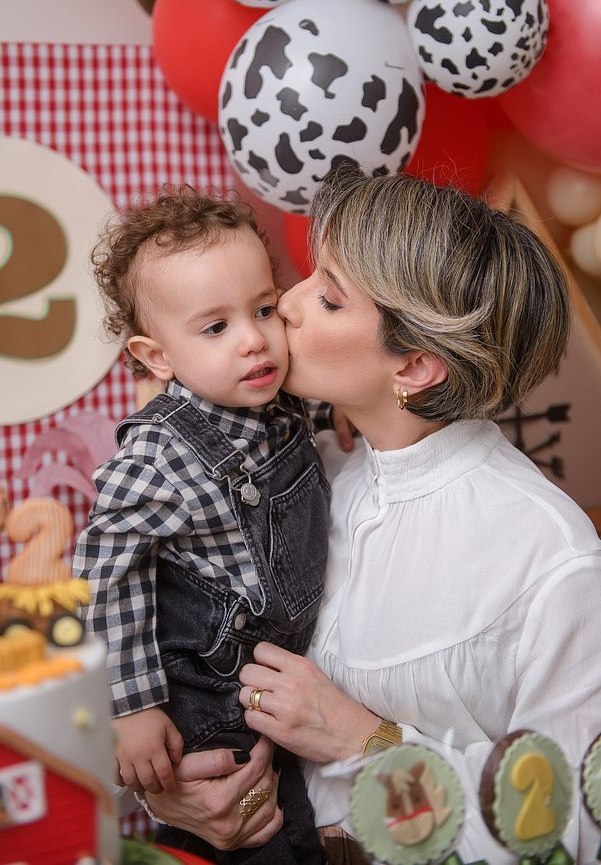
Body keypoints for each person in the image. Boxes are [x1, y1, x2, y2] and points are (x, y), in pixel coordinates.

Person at [140, 169, 601, 864]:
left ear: (414, 367)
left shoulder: (546, 554)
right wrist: (176, 794)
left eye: (328, 298)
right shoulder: (301, 471)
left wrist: (364, 741)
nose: (286, 304)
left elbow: (570, 830)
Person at [73, 185, 335, 863]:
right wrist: (131, 707)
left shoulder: (277, 404)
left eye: (264, 309)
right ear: (157, 357)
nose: (253, 340)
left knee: (291, 820)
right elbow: (103, 574)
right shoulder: (158, 454)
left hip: (273, 678)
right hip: (206, 694)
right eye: (215, 327)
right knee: (260, 831)